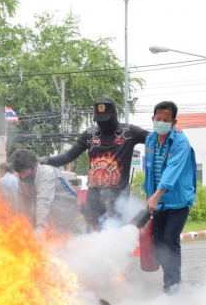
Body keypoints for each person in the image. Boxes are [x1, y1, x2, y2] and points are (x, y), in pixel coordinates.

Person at [41, 97, 150, 229]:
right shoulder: (90, 134)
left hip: (118, 199)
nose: (103, 123)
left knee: (115, 235)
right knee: (92, 235)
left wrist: (170, 134)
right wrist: (46, 160)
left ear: (114, 115)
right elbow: (68, 156)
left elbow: (155, 139)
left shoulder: (129, 132)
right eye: (100, 120)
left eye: (106, 120)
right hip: (94, 198)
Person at [143, 101, 197, 294]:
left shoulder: (181, 143)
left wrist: (156, 196)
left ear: (174, 123)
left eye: (166, 120)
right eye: (158, 119)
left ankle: (172, 286)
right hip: (158, 201)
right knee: (158, 243)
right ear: (152, 119)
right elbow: (149, 170)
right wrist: (149, 195)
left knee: (169, 240)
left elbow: (172, 171)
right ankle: (172, 279)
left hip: (178, 201)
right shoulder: (150, 140)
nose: (161, 123)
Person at [10, 149, 78, 233]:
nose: (23, 176)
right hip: (48, 208)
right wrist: (22, 222)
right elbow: (23, 202)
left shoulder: (47, 174)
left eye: (25, 171)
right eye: (19, 173)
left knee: (57, 234)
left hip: (65, 207)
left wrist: (41, 228)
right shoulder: (21, 179)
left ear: (35, 167)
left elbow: (43, 201)